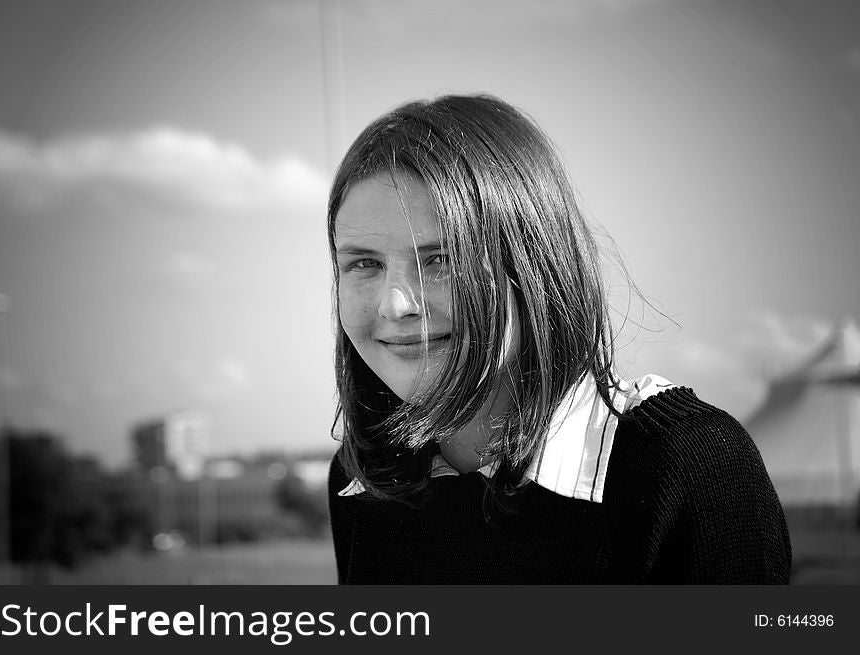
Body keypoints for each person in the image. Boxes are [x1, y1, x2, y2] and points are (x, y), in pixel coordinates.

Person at [325, 94, 791, 584]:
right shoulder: (362, 483)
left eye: (441, 259)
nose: (395, 305)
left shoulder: (692, 469)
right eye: (364, 263)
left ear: (534, 264)